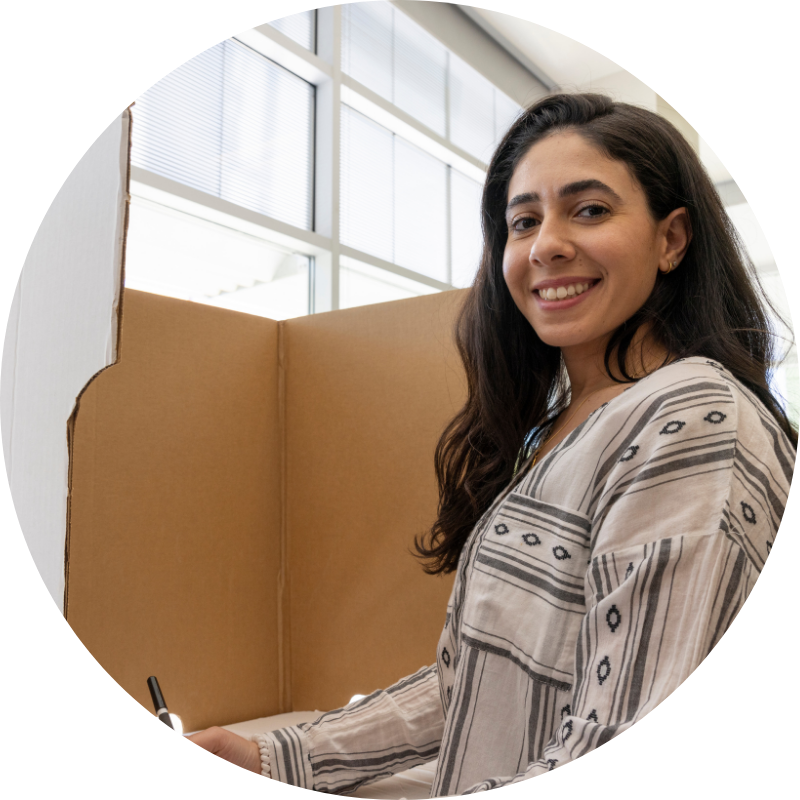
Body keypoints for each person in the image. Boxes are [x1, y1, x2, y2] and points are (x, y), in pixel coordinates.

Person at [187, 93, 796, 791]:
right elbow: (474, 683)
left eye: (590, 209)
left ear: (672, 238)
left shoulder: (689, 418)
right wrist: (276, 755)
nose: (547, 245)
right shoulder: (562, 427)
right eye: (523, 221)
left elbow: (625, 721)